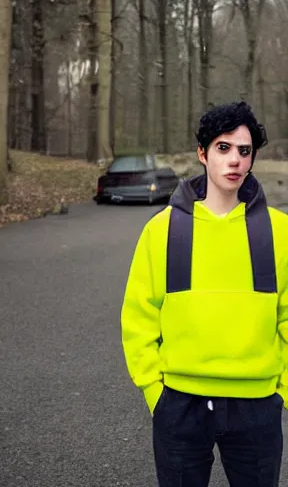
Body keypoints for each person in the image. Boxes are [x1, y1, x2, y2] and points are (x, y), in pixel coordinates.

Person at [121, 101, 288, 487]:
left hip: (258, 405)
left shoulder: (278, 232)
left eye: (244, 151)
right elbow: (139, 316)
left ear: (253, 158)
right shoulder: (162, 230)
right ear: (202, 154)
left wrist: (282, 390)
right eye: (223, 148)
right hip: (180, 403)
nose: (234, 160)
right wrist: (154, 392)